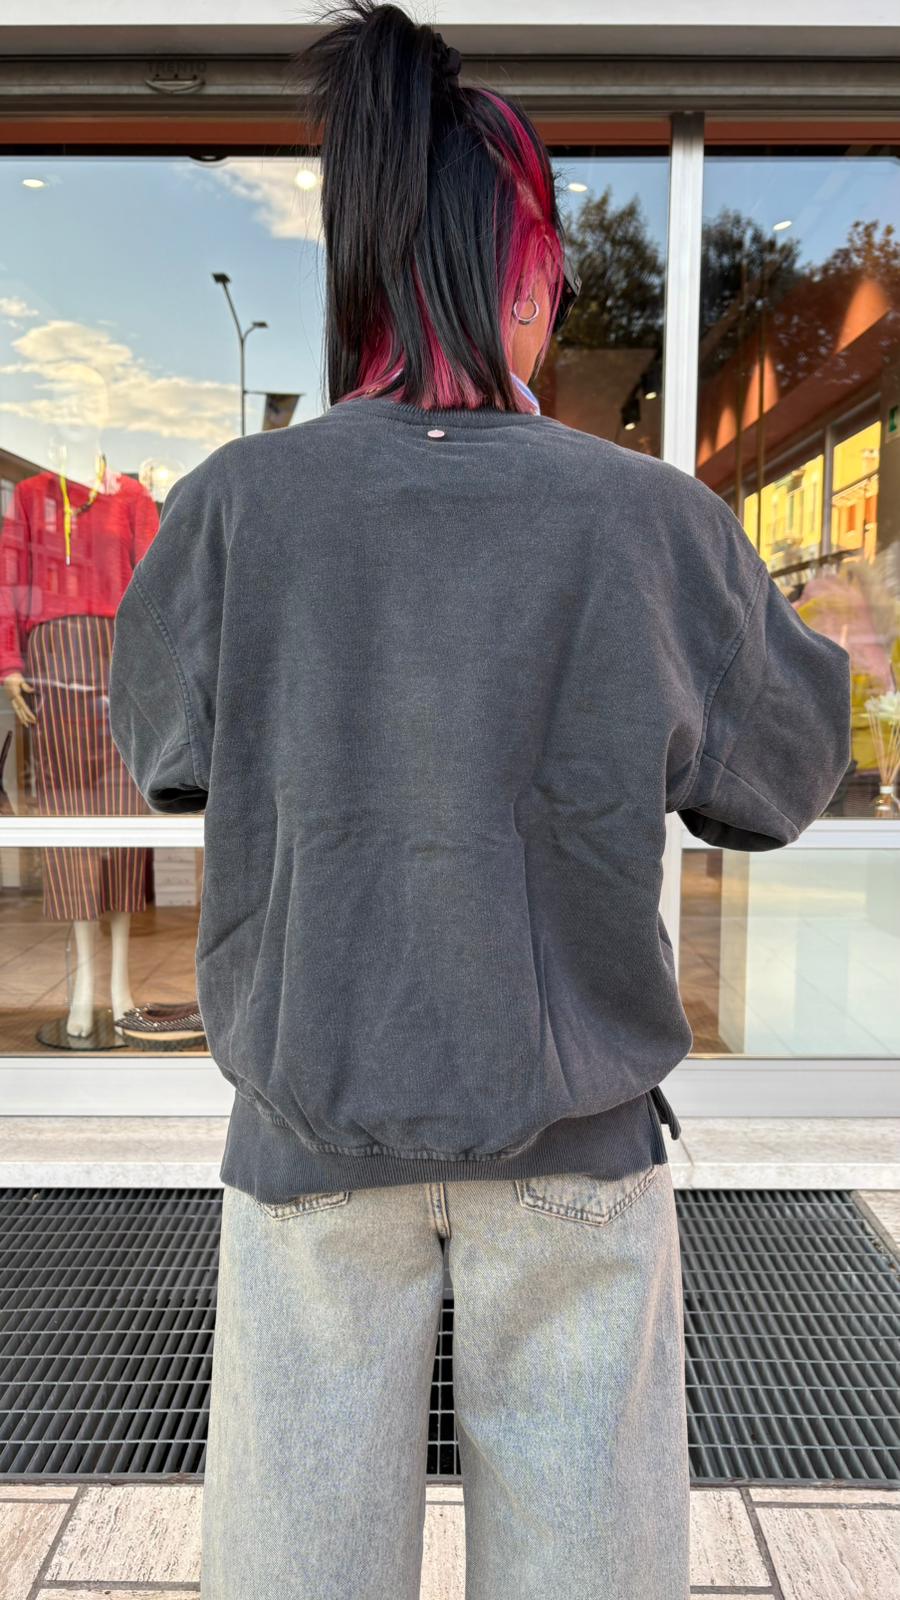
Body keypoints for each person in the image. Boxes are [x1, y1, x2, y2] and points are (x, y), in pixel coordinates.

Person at [107, 4, 851, 1596]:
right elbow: (784, 779)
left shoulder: (236, 509)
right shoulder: (653, 523)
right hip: (574, 1149)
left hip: (312, 1137)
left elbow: (166, 749)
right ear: (530, 265)